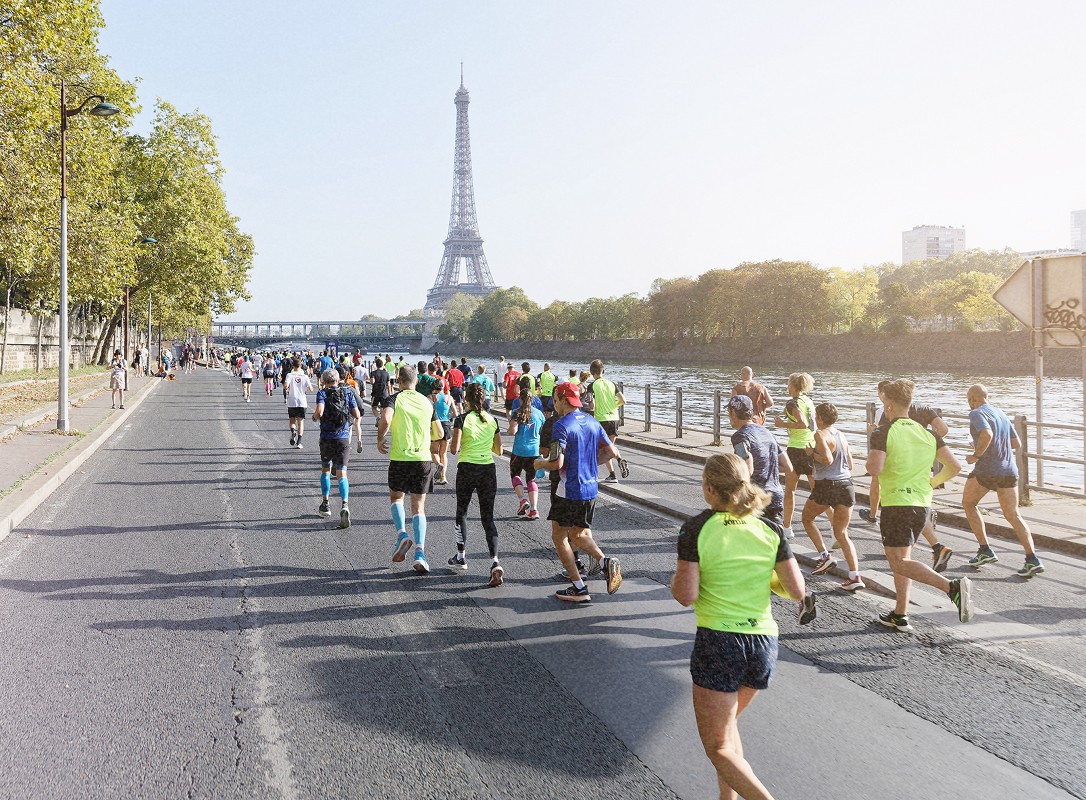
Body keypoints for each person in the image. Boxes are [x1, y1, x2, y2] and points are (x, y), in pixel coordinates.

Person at [670, 453, 807, 800]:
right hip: (763, 643)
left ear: (710, 488)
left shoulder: (697, 528)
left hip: (719, 641)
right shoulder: (770, 528)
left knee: (717, 747)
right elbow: (796, 590)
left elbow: (686, 595)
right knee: (728, 731)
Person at [867, 379, 972, 631]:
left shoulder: (883, 432)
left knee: (898, 562)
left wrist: (873, 450)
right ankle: (900, 614)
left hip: (896, 504)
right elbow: (955, 467)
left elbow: (874, 468)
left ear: (888, 405)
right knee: (904, 559)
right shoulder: (929, 433)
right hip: (921, 504)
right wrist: (932, 483)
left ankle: (952, 588)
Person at [536, 382, 623, 603]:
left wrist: (540, 465)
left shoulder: (561, 425)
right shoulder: (593, 422)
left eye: (555, 398)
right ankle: (605, 561)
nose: (553, 402)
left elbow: (557, 463)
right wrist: (590, 464)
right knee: (579, 535)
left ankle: (579, 587)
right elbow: (612, 451)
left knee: (559, 536)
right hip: (591, 487)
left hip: (569, 489)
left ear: (564, 400)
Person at [861, 380, 953, 572]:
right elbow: (943, 431)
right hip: (920, 470)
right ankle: (933, 548)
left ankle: (872, 514)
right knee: (913, 510)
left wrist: (876, 434)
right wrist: (925, 441)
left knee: (899, 560)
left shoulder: (885, 415)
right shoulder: (925, 410)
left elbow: (877, 460)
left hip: (896, 472)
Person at [961, 384, 1044, 577]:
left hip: (988, 469)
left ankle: (985, 550)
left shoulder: (976, 413)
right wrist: (993, 445)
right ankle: (1032, 559)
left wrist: (976, 454)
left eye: (969, 400)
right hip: (1009, 470)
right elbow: (1016, 444)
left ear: (973, 398)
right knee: (1013, 515)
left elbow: (987, 434)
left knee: (968, 503)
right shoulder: (1001, 413)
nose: (969, 403)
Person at [378, 365, 441, 574]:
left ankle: (402, 535)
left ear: (399, 380)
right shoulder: (427, 402)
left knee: (397, 498)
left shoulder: (394, 399)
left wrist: (380, 438)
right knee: (419, 507)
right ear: (415, 380)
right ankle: (420, 553)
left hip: (400, 457)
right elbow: (439, 432)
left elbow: (386, 418)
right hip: (422, 459)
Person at [801, 403, 864, 591]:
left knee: (807, 518)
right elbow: (850, 464)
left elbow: (827, 459)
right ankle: (855, 576)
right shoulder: (841, 435)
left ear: (819, 418)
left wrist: (811, 453)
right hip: (847, 485)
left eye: (815, 416)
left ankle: (825, 557)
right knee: (842, 533)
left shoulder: (820, 434)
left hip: (828, 485)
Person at [448, 382, 506, 586]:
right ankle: (495, 562)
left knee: (461, 512)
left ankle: (461, 556)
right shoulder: (492, 420)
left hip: (467, 468)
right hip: (488, 470)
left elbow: (454, 449)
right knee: (487, 517)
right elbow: (499, 450)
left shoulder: (461, 419)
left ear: (466, 399)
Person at [727, 395, 790, 528]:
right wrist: (765, 466)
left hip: (755, 498)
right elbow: (788, 466)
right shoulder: (766, 432)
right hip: (775, 496)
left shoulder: (740, 436)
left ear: (733, 413)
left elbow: (747, 468)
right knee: (772, 542)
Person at [313, 368, 363, 529]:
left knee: (326, 470)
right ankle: (344, 505)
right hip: (342, 437)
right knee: (342, 473)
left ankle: (326, 504)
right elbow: (356, 414)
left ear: (324, 381)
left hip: (327, 437)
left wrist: (314, 417)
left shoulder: (322, 393)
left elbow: (319, 412)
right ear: (338, 380)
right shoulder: (347, 393)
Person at [774, 372, 815, 538]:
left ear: (792, 386)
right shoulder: (807, 400)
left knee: (790, 490)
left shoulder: (792, 402)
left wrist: (782, 424)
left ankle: (787, 528)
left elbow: (803, 423)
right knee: (818, 492)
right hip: (811, 446)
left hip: (797, 449)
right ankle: (836, 526)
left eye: (788, 384)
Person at [584, 359, 629, 483]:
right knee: (609, 446)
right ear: (602, 370)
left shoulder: (591, 386)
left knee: (602, 449)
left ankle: (614, 469)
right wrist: (613, 405)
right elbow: (624, 401)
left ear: (592, 372)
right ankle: (615, 468)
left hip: (601, 420)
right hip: (614, 418)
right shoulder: (611, 383)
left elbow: (591, 405)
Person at [508, 380, 546, 520]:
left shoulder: (517, 413)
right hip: (534, 452)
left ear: (521, 399)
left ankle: (523, 500)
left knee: (515, 476)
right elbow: (543, 432)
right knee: (531, 480)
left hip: (519, 451)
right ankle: (534, 509)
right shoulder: (539, 415)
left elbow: (512, 431)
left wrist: (511, 427)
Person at [285, 357, 314, 449]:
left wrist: (288, 387)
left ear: (292, 366)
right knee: (301, 422)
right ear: (300, 366)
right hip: (302, 401)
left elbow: (285, 386)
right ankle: (299, 442)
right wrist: (305, 389)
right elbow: (311, 389)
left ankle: (293, 432)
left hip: (292, 401)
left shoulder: (289, 375)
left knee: (292, 420)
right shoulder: (305, 376)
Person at [432, 381, 453, 485]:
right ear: (443, 387)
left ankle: (438, 463)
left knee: (434, 452)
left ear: (434, 388)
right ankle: (443, 477)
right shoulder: (449, 397)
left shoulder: (431, 397)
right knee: (443, 453)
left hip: (435, 425)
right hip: (446, 425)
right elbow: (455, 413)